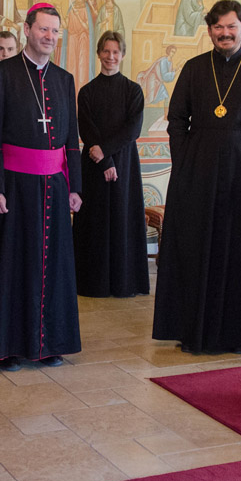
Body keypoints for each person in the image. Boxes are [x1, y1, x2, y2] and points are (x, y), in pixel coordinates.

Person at [152, 0, 241, 353]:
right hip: (200, 170)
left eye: (231, 27)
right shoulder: (195, 68)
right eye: (218, 28)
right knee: (198, 245)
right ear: (209, 30)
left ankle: (240, 333)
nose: (225, 33)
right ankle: (194, 329)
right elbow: (177, 118)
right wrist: (185, 159)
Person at [0, 3, 82, 371]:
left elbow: (72, 141)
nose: (49, 37)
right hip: (13, 188)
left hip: (54, 188)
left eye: (55, 31)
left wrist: (75, 186)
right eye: (43, 29)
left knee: (53, 267)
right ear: (28, 29)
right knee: (12, 266)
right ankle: (8, 347)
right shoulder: (0, 76)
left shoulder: (64, 80)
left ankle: (50, 343)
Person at [72, 31, 150, 298]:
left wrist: (106, 153)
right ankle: (92, 283)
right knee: (94, 222)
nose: (110, 56)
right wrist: (105, 160)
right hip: (94, 166)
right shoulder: (87, 91)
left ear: (123, 55)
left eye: (116, 52)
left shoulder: (133, 90)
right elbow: (86, 129)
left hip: (125, 165)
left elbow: (133, 129)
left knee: (122, 218)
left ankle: (124, 282)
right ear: (98, 53)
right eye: (106, 51)